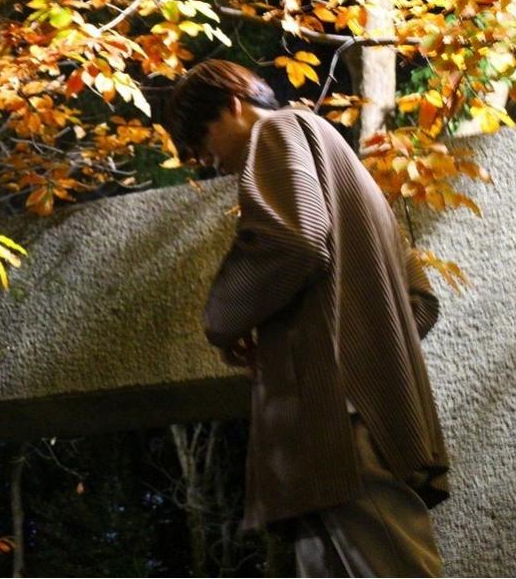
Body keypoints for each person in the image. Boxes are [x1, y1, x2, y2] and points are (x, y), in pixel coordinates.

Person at [163, 60, 452, 577]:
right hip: (373, 418)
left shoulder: (279, 130)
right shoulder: (357, 182)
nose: (205, 162)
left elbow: (294, 241)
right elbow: (420, 302)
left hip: (337, 424)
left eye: (200, 142)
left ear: (233, 104)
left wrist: (223, 319)